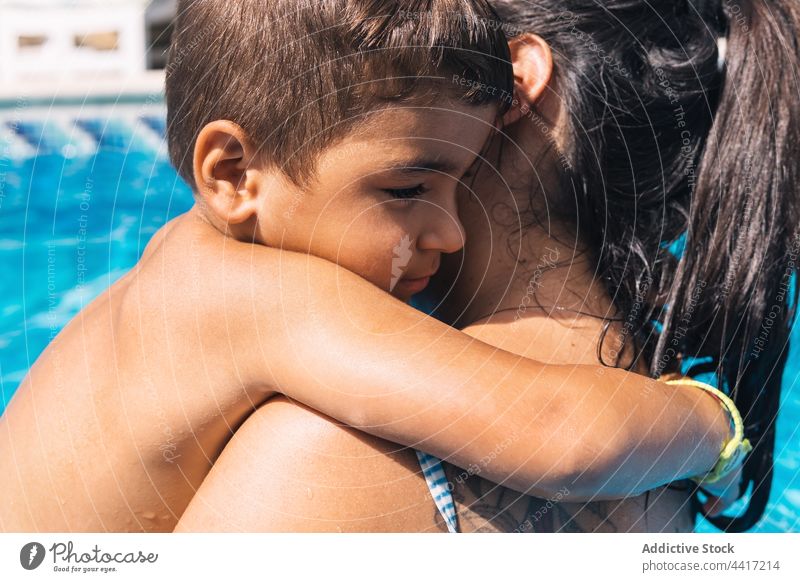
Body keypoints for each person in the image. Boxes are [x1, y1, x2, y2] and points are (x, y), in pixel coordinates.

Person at [0, 0, 749, 534]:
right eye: (407, 189)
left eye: (460, 181)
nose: (452, 231)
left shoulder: (203, 280)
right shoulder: (242, 298)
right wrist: (714, 428)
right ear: (232, 175)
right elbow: (555, 433)